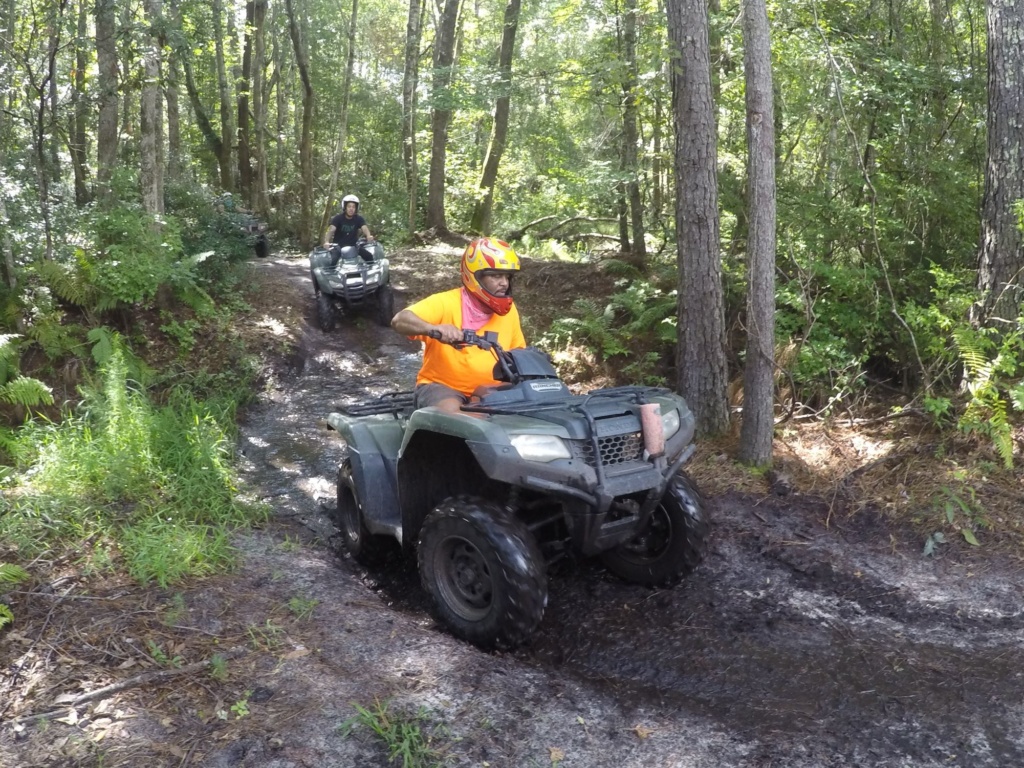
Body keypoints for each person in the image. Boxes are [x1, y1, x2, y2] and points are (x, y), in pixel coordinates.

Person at [392, 237, 526, 412]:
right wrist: (434, 329)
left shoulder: (509, 311)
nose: (504, 283)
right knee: (460, 418)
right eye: (496, 275)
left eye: (507, 276)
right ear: (475, 277)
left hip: (493, 391)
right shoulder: (444, 302)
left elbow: (519, 354)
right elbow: (400, 320)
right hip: (443, 388)